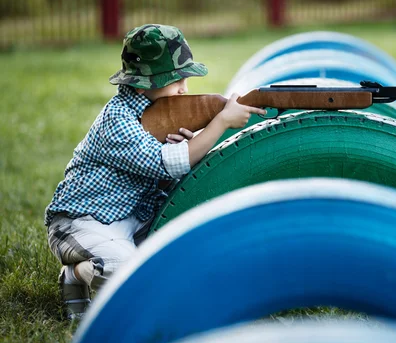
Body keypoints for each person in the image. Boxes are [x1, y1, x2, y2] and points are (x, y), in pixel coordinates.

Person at [44, 24, 266, 320]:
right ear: (140, 85)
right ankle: (76, 274)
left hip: (132, 220)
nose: (184, 89)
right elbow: (167, 163)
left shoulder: (153, 116)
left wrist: (185, 142)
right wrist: (221, 122)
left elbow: (168, 176)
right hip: (81, 222)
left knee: (178, 257)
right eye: (176, 81)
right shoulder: (118, 120)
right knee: (128, 276)